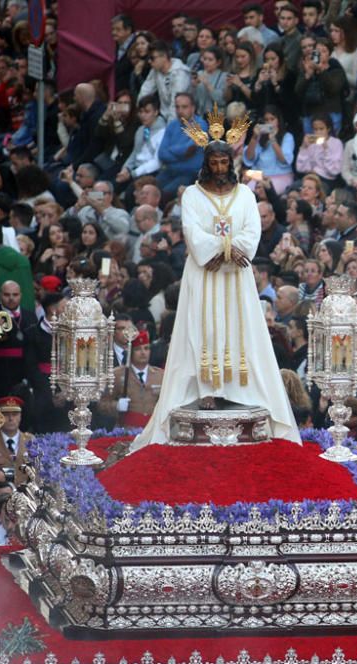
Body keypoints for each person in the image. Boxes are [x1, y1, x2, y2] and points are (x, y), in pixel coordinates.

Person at [132, 135, 300, 450]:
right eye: (214, 162)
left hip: (236, 276)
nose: (220, 167)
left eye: (224, 162)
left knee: (240, 328)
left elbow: (252, 230)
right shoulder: (193, 195)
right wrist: (224, 249)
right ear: (206, 164)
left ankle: (239, 387)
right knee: (201, 328)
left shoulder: (245, 196)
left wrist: (237, 250)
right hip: (204, 273)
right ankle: (205, 388)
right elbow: (193, 232)